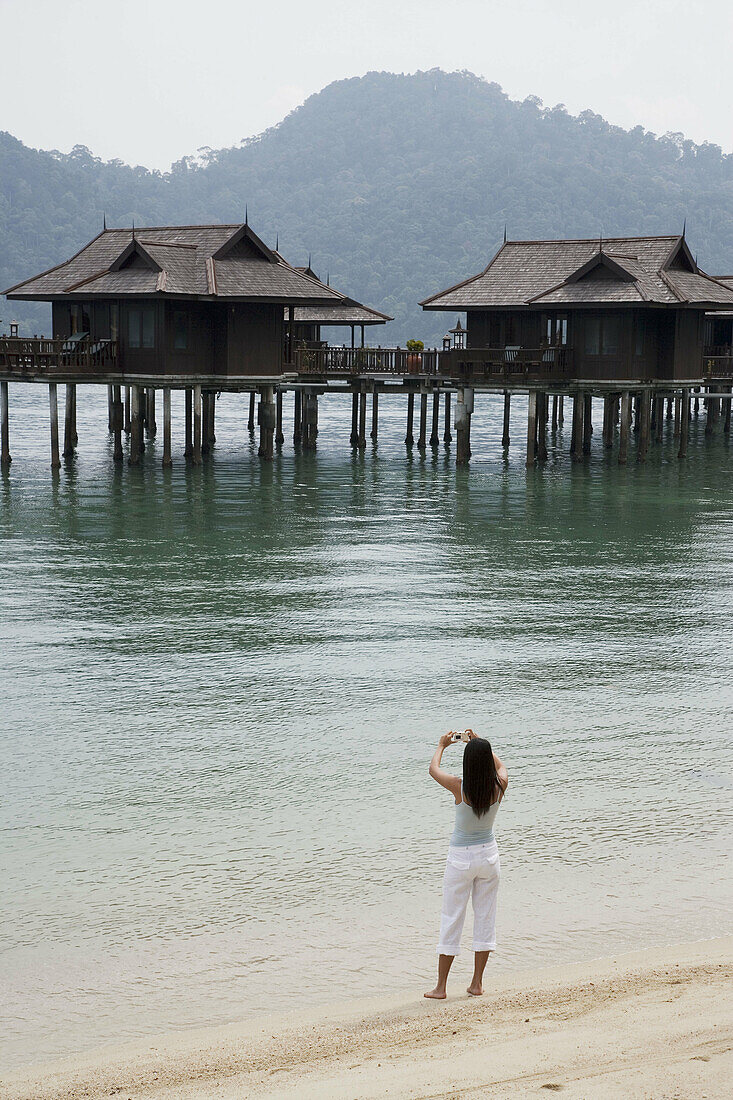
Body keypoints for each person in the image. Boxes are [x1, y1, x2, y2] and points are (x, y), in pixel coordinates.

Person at [425, 730, 508, 1000]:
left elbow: (432, 769)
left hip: (461, 859)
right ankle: (476, 984)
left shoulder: (459, 786)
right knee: (485, 917)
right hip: (489, 857)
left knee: (452, 917)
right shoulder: (499, 786)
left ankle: (441, 987)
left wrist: (441, 745)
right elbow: (501, 765)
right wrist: (481, 743)